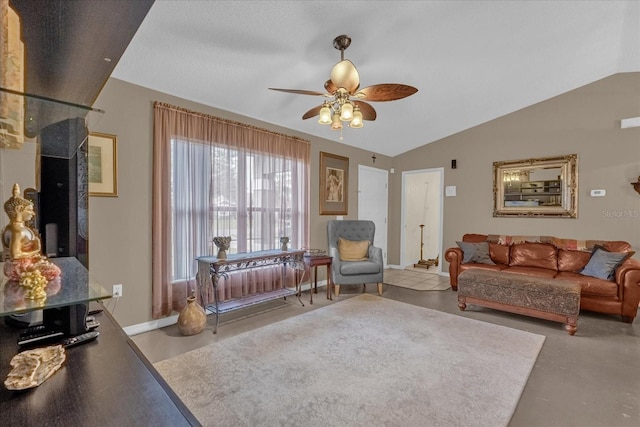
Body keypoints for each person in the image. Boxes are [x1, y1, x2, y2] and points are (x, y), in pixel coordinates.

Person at [2, 183, 60, 282]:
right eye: (29, 210)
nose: (33, 214)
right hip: (19, 266)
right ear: (19, 209)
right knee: (52, 270)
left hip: (25, 262)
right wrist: (36, 250)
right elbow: (15, 255)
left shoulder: (14, 228)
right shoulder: (17, 231)